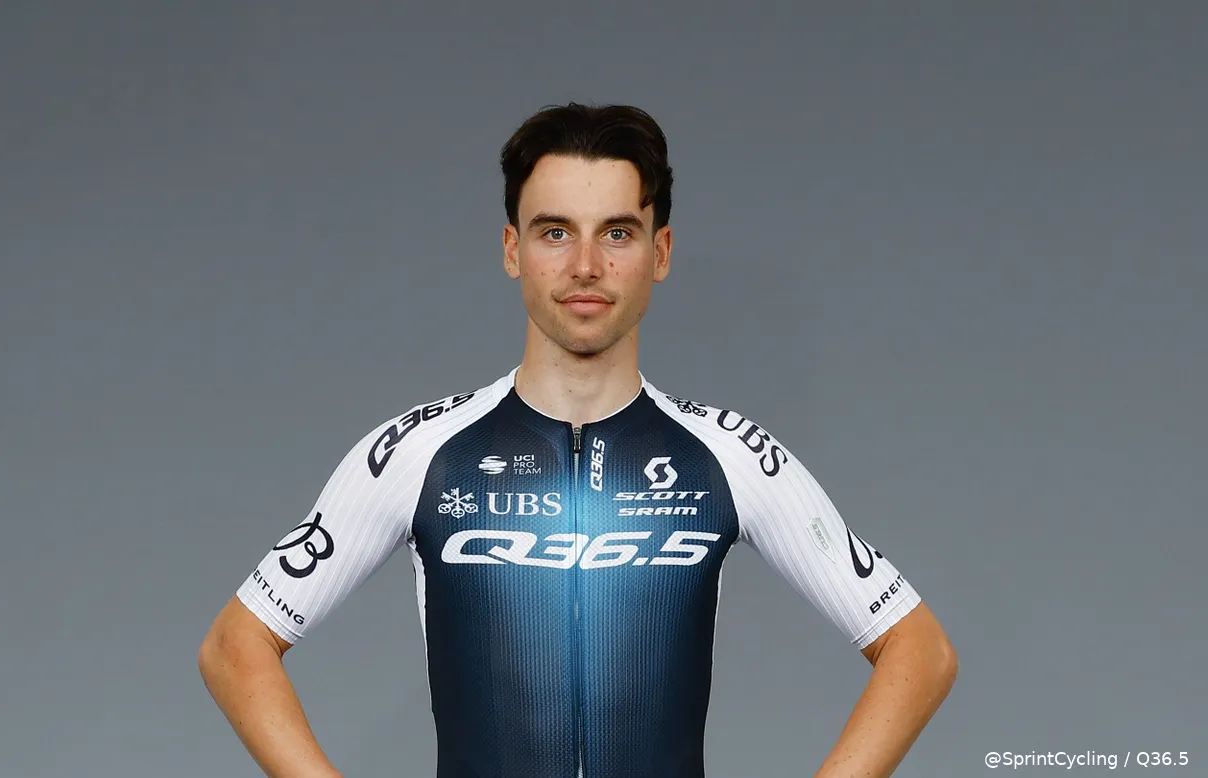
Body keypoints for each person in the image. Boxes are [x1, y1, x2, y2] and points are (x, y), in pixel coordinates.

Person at [198, 102, 958, 778]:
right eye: (555, 232)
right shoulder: (420, 454)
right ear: (512, 250)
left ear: (660, 252)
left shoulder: (730, 456)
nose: (586, 266)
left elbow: (920, 650)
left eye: (617, 233)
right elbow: (236, 647)